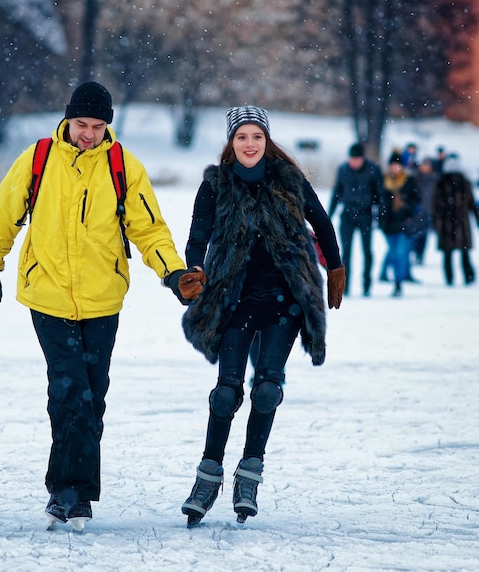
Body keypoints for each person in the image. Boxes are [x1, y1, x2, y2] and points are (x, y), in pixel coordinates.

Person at [0, 81, 205, 528]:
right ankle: (69, 494)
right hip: (47, 293)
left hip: (103, 298)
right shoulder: (39, 158)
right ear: (67, 120)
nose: (88, 134)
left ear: (108, 126)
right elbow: (6, 211)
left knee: (91, 396)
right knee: (68, 389)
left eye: (97, 126)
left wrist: (173, 273)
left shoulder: (122, 166)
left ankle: (73, 491)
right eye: (81, 124)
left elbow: (149, 229)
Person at [178, 106, 344, 527]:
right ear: (231, 143)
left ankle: (249, 474)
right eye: (241, 137)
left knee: (267, 388)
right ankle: (207, 475)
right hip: (234, 299)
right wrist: (194, 269)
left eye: (256, 136)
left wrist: (336, 267)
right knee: (225, 392)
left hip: (284, 300)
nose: (250, 144)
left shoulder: (288, 179)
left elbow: (322, 222)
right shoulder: (215, 185)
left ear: (266, 140)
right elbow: (198, 235)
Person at [328, 142, 383, 297]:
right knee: (346, 253)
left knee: (367, 252)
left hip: (365, 215)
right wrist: (328, 216)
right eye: (352, 159)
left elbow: (380, 195)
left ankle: (366, 284)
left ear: (363, 158)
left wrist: (380, 215)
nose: (355, 162)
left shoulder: (373, 169)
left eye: (357, 159)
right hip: (347, 215)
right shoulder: (343, 170)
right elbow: (336, 193)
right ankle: (345, 286)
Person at [432, 154, 479, 285]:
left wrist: (436, 222)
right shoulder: (463, 183)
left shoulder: (442, 183)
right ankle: (468, 276)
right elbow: (472, 204)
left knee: (449, 254)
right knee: (464, 253)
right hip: (461, 222)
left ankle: (450, 278)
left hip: (447, 223)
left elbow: (435, 206)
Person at [379, 152, 421, 297]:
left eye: (398, 165)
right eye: (393, 165)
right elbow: (379, 202)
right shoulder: (384, 181)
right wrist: (381, 219)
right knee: (393, 252)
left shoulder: (409, 181)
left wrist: (407, 208)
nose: (395, 168)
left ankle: (398, 282)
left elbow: (417, 199)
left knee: (400, 253)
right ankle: (385, 274)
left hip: (404, 224)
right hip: (388, 225)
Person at [412, 157, 438, 265]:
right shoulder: (415, 178)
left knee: (424, 235)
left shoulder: (435, 179)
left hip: (429, 210)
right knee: (415, 234)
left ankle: (420, 254)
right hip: (417, 210)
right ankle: (414, 252)